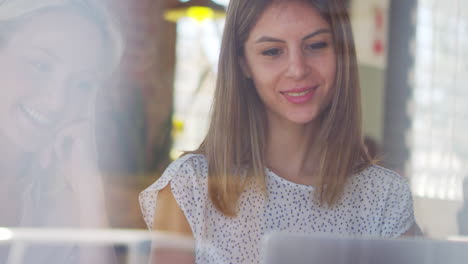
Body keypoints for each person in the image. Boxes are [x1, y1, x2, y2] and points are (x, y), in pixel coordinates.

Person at [140, 0, 420, 263]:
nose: (297, 69)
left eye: (316, 45)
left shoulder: (385, 196)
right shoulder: (189, 186)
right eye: (272, 51)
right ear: (242, 63)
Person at [0, 0, 122, 263]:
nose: (57, 102)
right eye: (41, 66)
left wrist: (88, 188)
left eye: (82, 84)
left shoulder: (60, 198)